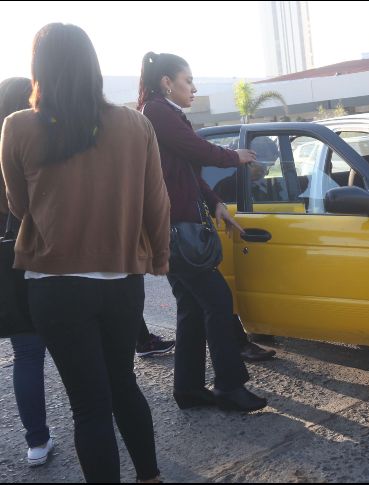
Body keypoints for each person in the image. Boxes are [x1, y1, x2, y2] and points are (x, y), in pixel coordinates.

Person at [1, 24, 167, 483]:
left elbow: (17, 206)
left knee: (89, 407)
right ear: (93, 66)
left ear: (40, 68)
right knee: (124, 388)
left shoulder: (17, 127)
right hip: (121, 282)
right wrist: (160, 260)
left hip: (54, 287)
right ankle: (150, 477)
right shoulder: (136, 124)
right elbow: (158, 202)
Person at [137, 51, 269, 412]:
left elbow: (188, 174)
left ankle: (189, 389)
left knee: (192, 308)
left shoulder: (162, 113)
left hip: (177, 227)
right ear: (167, 82)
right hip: (175, 229)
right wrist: (233, 156)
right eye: (188, 81)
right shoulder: (157, 112)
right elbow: (198, 151)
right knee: (217, 301)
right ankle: (228, 386)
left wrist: (216, 204)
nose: (193, 88)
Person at [0, 77, 55, 467]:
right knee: (79, 345)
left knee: (27, 353)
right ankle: (101, 421)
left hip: (7, 265)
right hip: (44, 252)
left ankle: (37, 442)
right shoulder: (34, 140)